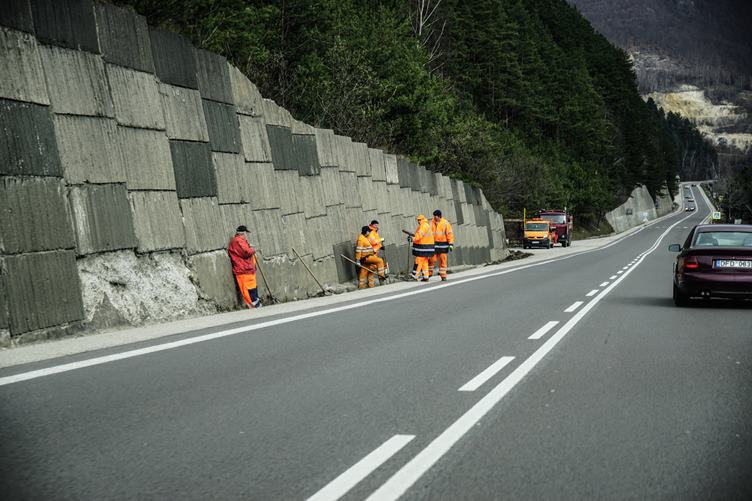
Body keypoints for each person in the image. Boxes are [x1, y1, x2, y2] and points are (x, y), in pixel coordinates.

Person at [228, 225, 261, 309]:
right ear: (243, 233)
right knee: (248, 289)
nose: (247, 235)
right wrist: (253, 249)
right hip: (243, 270)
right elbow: (245, 252)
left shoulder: (241, 241)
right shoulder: (238, 241)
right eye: (246, 233)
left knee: (252, 288)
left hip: (248, 269)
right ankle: (254, 305)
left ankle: (256, 304)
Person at [429, 210, 454, 281]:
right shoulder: (431, 223)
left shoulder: (445, 223)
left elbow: (449, 234)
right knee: (431, 260)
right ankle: (428, 274)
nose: (434, 217)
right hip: (434, 245)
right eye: (434, 216)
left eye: (436, 216)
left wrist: (451, 244)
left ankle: (443, 275)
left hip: (443, 245)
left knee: (443, 261)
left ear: (439, 216)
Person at [411, 214, 434, 281]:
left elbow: (419, 235)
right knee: (424, 262)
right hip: (428, 247)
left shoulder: (423, 226)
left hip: (424, 247)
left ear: (422, 219)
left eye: (419, 220)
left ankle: (415, 276)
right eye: (418, 220)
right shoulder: (426, 225)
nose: (418, 221)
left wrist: (413, 239)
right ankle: (426, 276)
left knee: (418, 260)